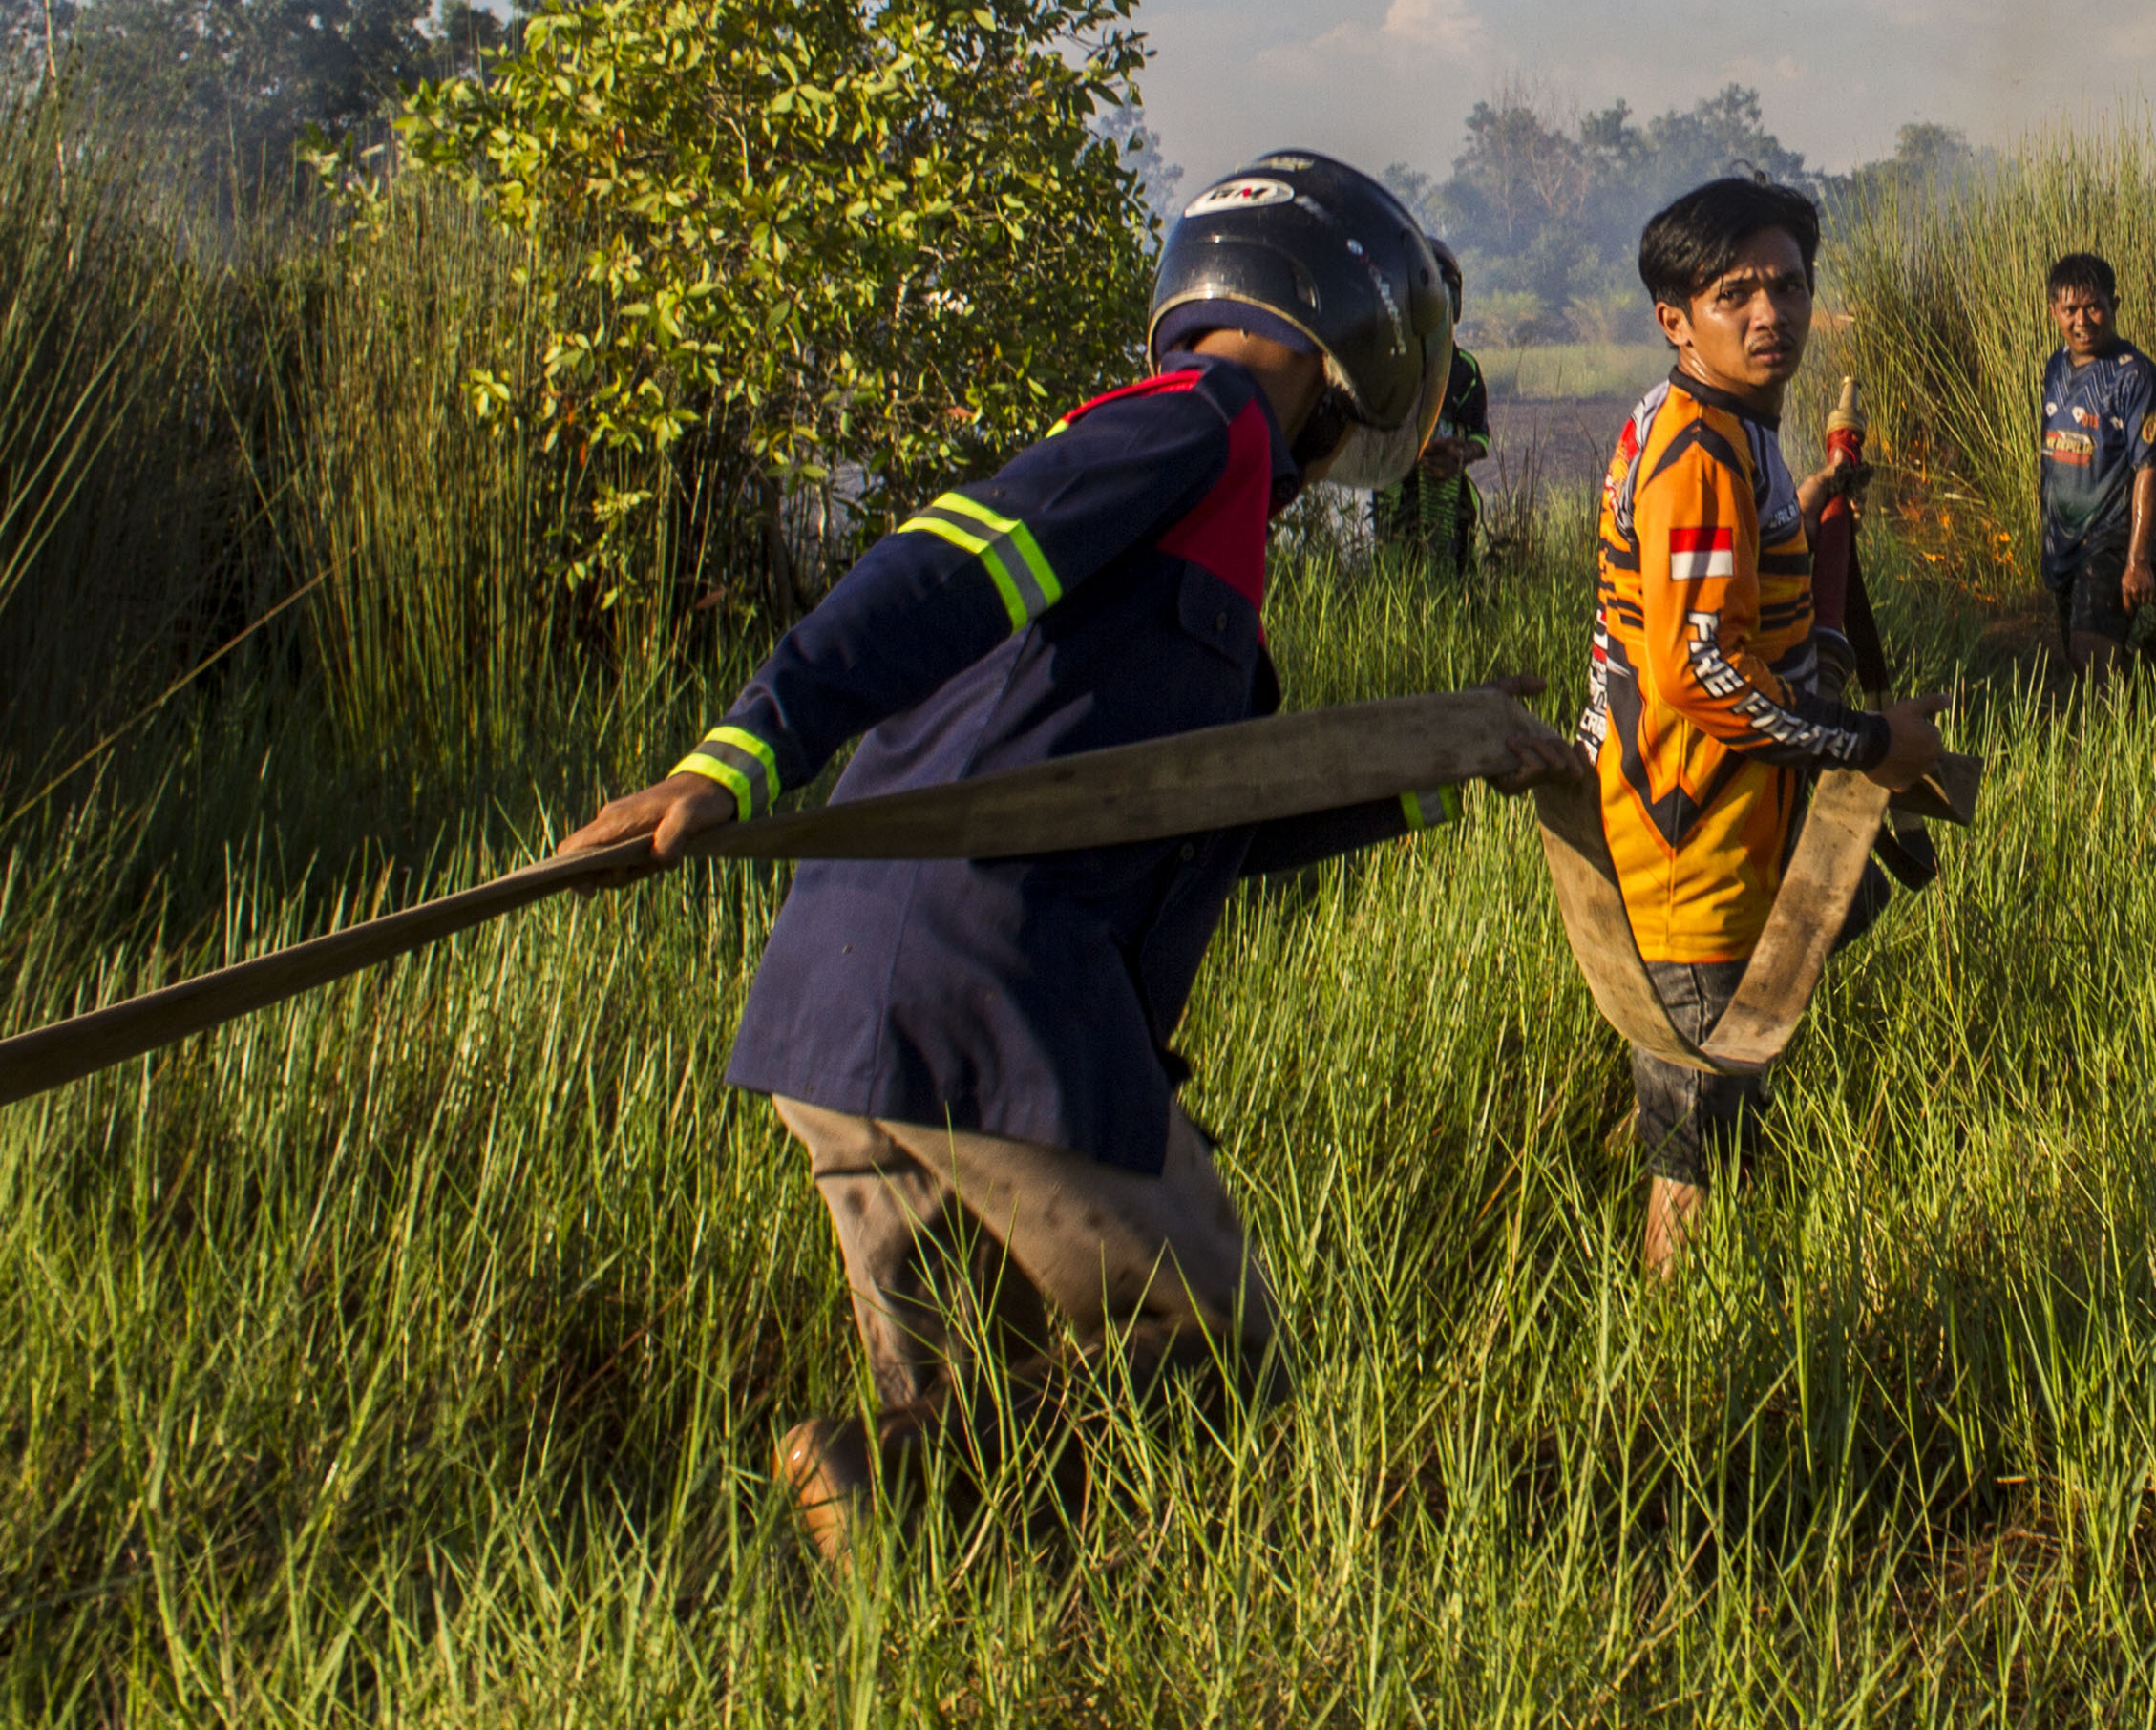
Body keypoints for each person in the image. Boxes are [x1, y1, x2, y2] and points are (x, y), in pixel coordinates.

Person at [553, 150, 1566, 1561]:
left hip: (846, 996)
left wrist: (1440, 768)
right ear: (1364, 337)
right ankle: (876, 1484)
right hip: (990, 994)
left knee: (964, 1423)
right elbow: (949, 557)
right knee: (1215, 1353)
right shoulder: (1200, 426)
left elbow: (1185, 813)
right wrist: (747, 747)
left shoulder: (1183, 524)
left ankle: (869, 1587)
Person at [1580, 174, 1947, 1276]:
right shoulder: (1700, 455)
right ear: (1675, 318)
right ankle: (1672, 1359)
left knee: (1706, 1069)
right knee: (1702, 1132)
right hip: (1690, 843)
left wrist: (1818, 507)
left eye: (1785, 286)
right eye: (1733, 292)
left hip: (1710, 822)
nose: (1768, 313)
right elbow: (1701, 678)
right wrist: (1877, 744)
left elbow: (1734, 602)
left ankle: (1634, 1168)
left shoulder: (1718, 426)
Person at [2034, 251, 2156, 674]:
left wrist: (2138, 561)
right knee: (2079, 659)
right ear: (2053, 310)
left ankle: (2120, 735)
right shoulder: (2056, 366)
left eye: (2094, 306)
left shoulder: (2135, 377)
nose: (2082, 320)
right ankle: (2119, 723)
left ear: (2114, 305)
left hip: (2109, 538)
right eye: (2070, 309)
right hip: (2063, 543)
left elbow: (2150, 468)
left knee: (2093, 656)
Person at [1378, 295, 1493, 574]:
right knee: (1396, 578)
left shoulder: (1464, 369)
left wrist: (1460, 453)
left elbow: (1480, 437)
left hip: (1448, 498)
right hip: (1394, 500)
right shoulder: (1389, 364)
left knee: (1452, 576)